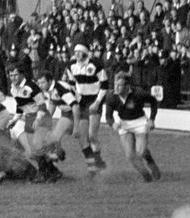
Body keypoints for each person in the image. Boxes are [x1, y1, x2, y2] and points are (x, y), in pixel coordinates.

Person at [104, 72, 161, 182]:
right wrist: (113, 123)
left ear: (127, 86)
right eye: (115, 84)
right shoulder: (111, 96)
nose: (116, 87)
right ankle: (146, 176)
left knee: (141, 152)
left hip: (140, 122)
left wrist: (151, 119)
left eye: (119, 85)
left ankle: (149, 160)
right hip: (124, 124)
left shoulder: (138, 93)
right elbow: (108, 116)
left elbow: (153, 101)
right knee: (130, 155)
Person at [65, 44, 109, 175]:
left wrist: (97, 102)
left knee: (92, 135)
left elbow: (105, 85)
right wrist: (74, 98)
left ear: (85, 53)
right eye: (75, 52)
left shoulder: (95, 64)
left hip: (94, 100)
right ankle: (93, 167)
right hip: (82, 102)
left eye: (80, 52)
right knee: (83, 137)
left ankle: (98, 160)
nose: (77, 54)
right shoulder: (71, 65)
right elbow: (72, 83)